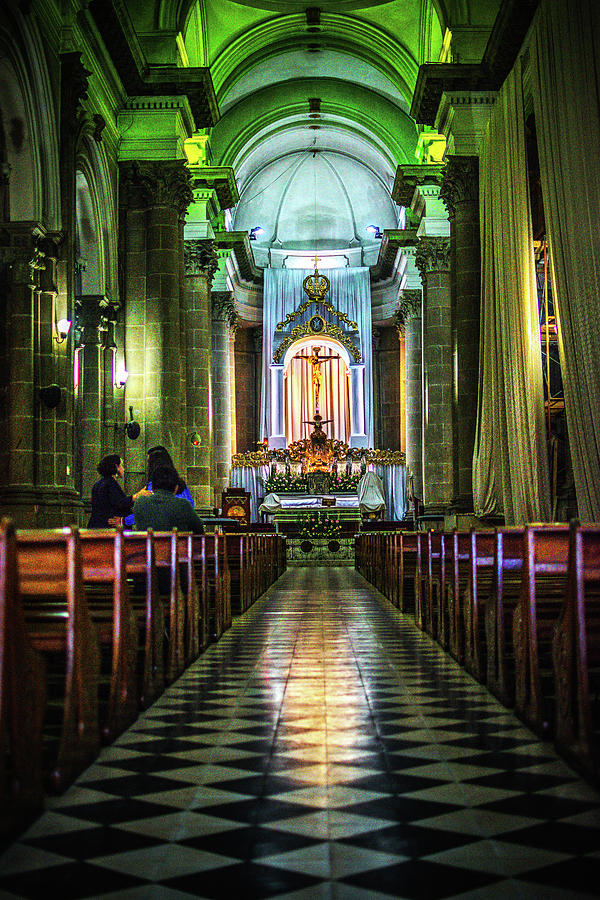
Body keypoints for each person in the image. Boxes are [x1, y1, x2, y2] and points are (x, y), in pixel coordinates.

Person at [123, 445, 194, 528]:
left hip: (159, 535)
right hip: (181, 535)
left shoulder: (154, 485)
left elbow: (147, 512)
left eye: (149, 463)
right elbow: (191, 509)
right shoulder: (182, 485)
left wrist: (124, 521)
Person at [133, 464, 205, 534]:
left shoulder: (140, 503)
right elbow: (199, 530)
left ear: (151, 487)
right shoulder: (183, 505)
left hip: (148, 545)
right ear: (176, 488)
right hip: (176, 545)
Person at [88, 454, 152, 528]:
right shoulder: (110, 483)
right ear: (116, 467)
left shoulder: (98, 483)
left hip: (96, 525)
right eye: (121, 466)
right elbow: (119, 503)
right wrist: (136, 496)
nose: (123, 469)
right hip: (108, 527)